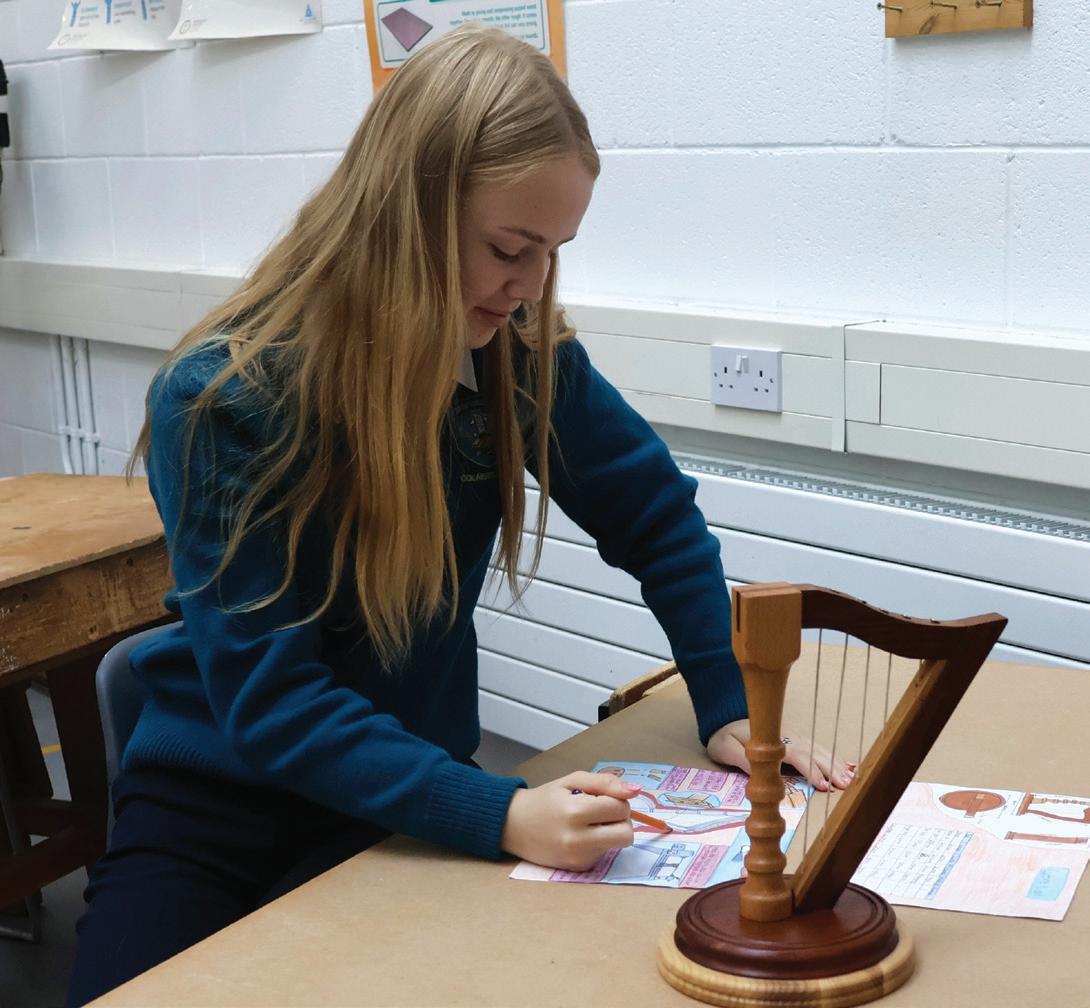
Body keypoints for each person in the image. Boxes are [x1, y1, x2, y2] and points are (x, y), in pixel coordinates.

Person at [66, 25, 852, 1005]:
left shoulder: (516, 353)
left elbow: (657, 518)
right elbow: (275, 706)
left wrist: (724, 700)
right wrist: (500, 813)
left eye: (552, 255)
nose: (529, 289)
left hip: (397, 799)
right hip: (215, 811)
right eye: (508, 249)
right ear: (404, 214)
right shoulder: (224, 397)